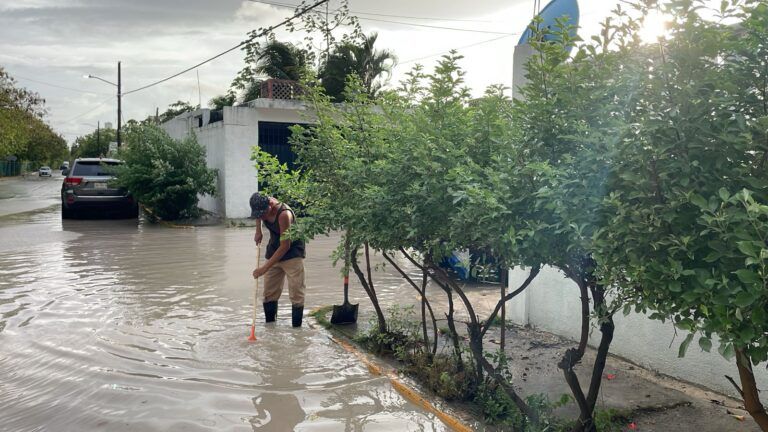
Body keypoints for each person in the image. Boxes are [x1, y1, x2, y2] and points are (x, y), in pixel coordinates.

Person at [250, 192, 306, 327]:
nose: (262, 217)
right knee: (269, 293)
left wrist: (264, 269)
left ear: (270, 204)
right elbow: (258, 216)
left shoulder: (284, 214)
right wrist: (258, 230)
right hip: (274, 248)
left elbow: (285, 246)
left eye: (264, 214)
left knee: (296, 293)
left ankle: (296, 331)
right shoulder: (261, 206)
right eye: (259, 215)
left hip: (292, 252)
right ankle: (270, 328)